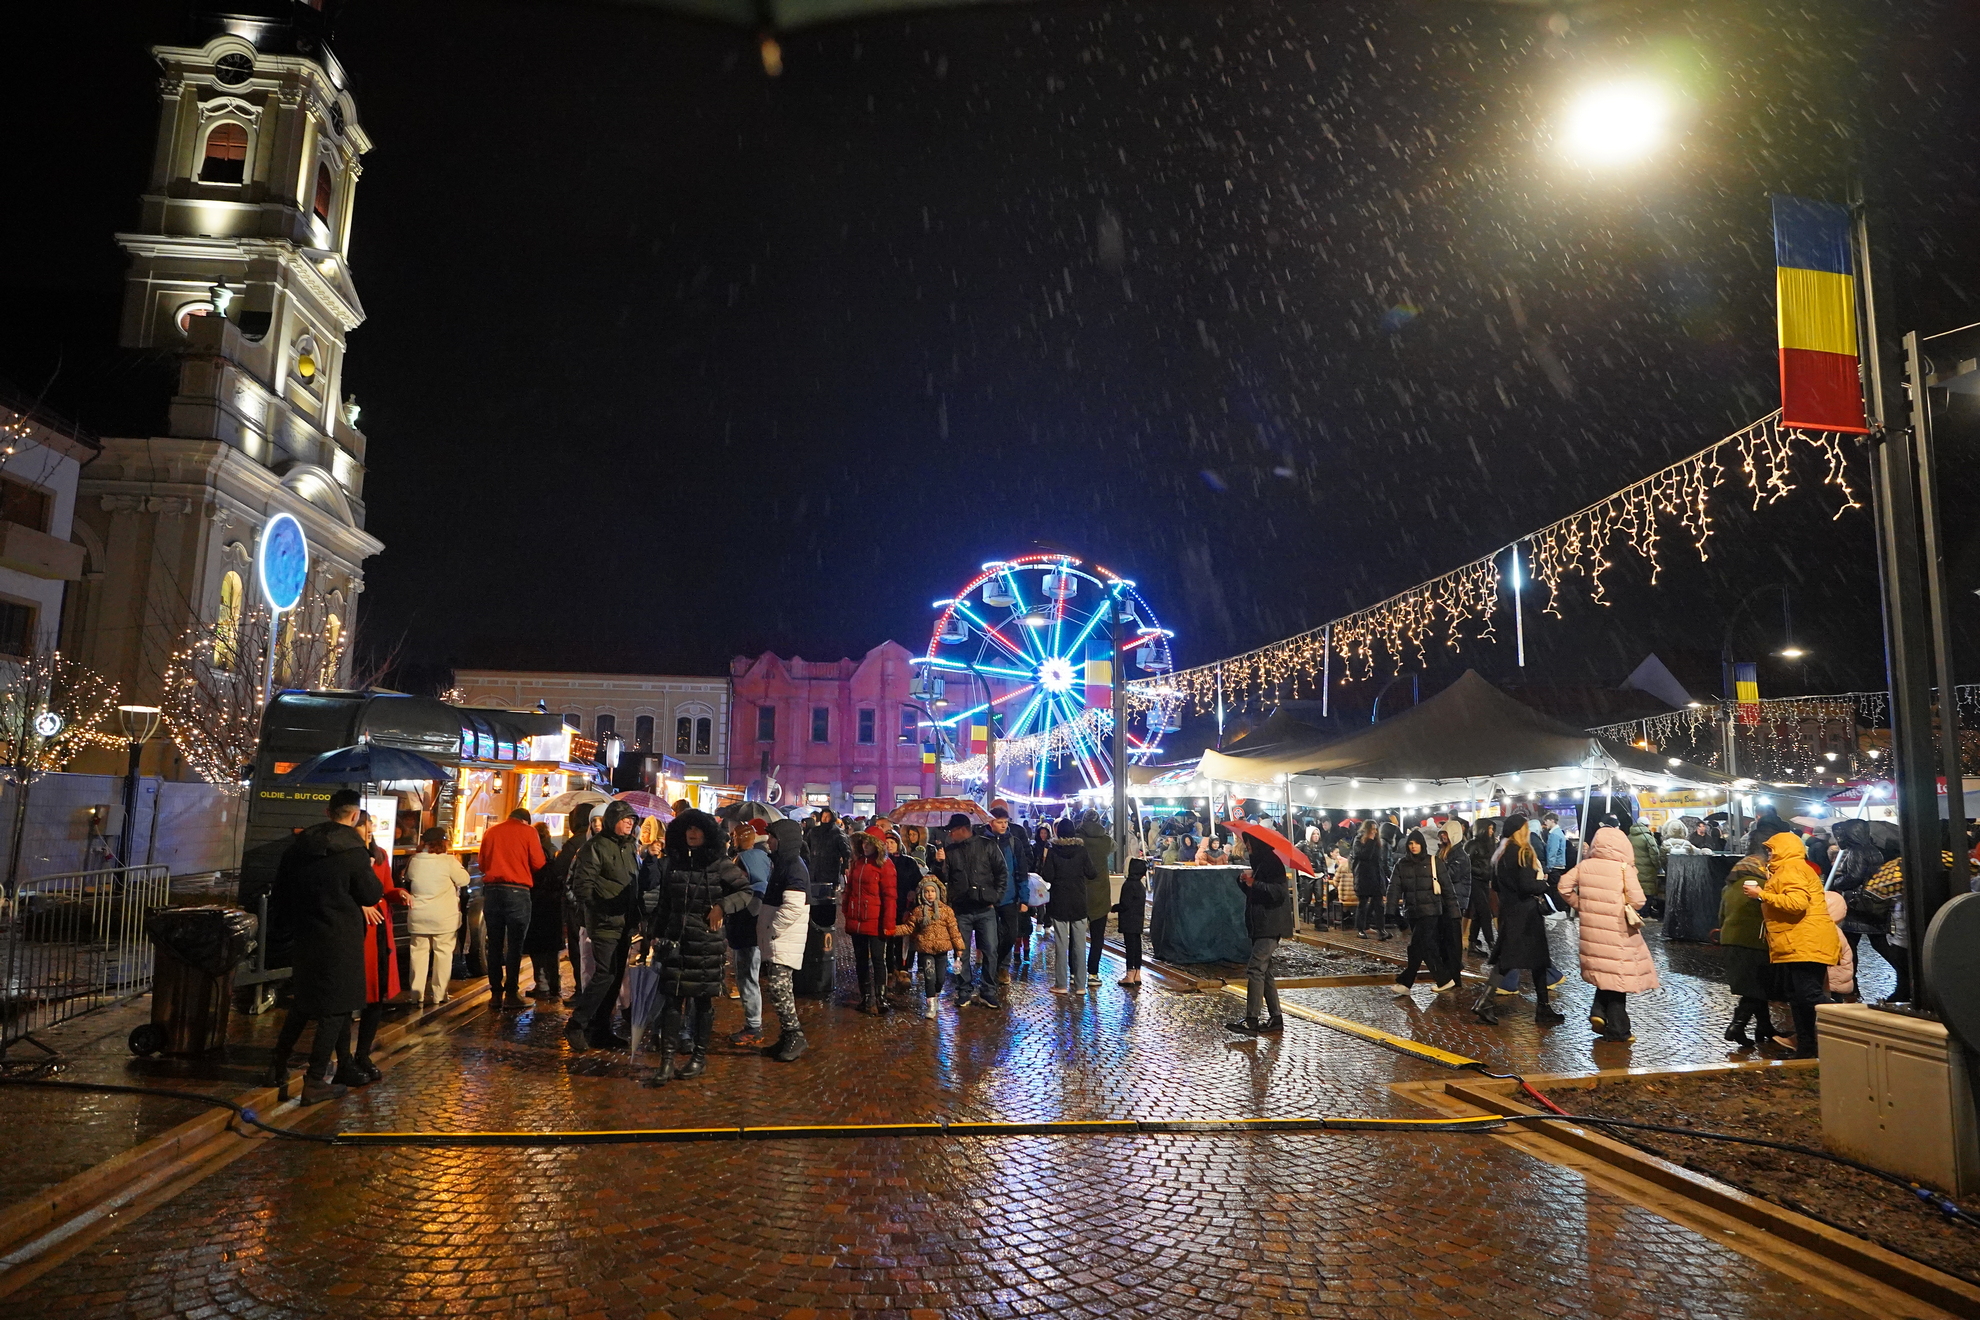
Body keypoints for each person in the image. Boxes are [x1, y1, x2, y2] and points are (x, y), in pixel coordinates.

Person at [262, 789, 382, 1103]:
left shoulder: (299, 847)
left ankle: (277, 1065)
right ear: (355, 816)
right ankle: (314, 1081)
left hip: (305, 934)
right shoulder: (353, 851)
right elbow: (370, 895)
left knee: (303, 1002)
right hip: (339, 938)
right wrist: (366, 856)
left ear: (328, 813)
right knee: (336, 1007)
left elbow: (281, 889)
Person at [648, 809, 755, 1082]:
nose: (692, 834)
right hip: (676, 942)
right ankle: (667, 1061)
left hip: (707, 943)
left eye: (698, 829)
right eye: (688, 829)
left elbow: (746, 892)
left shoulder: (719, 864)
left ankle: (699, 1056)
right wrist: (654, 934)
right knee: (672, 1001)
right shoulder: (674, 863)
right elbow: (664, 904)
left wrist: (722, 906)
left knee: (703, 1001)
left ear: (707, 834)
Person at [1558, 825, 1658, 1042]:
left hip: (1592, 929)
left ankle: (1600, 1013)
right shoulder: (1624, 868)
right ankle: (1618, 1030)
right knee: (1618, 977)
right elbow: (1639, 901)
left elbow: (1563, 887)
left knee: (1606, 974)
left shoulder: (1585, 865)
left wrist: (1582, 905)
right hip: (1619, 930)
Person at [1748, 831, 1841, 1058]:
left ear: (1785, 849)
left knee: (1808, 995)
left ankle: (1851, 1020)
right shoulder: (1787, 869)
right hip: (1798, 941)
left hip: (1805, 941)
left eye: (1772, 850)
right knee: (1799, 998)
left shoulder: (1792, 869)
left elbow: (1796, 903)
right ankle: (1807, 1047)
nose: (1769, 854)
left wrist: (1762, 895)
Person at [565, 799, 641, 1052]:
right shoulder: (594, 847)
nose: (630, 822)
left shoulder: (630, 848)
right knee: (604, 974)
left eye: (632, 819)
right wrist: (602, 908)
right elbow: (582, 886)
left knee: (615, 976)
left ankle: (600, 1030)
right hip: (605, 923)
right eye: (625, 818)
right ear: (612, 821)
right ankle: (577, 1023)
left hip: (624, 922)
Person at [1476, 815, 1564, 1026]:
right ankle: (1485, 1003)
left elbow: (1495, 885)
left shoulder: (1501, 852)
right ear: (1520, 830)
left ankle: (1542, 1007)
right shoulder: (1522, 851)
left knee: (1533, 961)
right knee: (1518, 960)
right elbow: (1527, 885)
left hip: (1510, 911)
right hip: (1526, 914)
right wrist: (1544, 884)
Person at [477, 806, 547, 1009]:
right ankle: (511, 992)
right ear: (525, 820)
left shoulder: (491, 831)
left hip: (492, 891)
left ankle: (495, 994)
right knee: (515, 944)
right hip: (517, 891)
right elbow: (539, 862)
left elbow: (482, 864)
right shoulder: (528, 832)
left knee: (495, 943)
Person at [940, 812, 1007, 1009]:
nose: (950, 835)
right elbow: (943, 879)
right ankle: (964, 990)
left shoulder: (988, 845)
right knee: (961, 952)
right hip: (962, 909)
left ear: (962, 829)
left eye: (952, 831)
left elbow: (1001, 872)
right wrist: (939, 863)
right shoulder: (950, 851)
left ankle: (988, 990)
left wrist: (996, 896)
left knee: (991, 951)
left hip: (985, 907)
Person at [758, 817, 812, 1060]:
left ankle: (794, 1035)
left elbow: (793, 907)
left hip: (783, 938)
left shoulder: (793, 866)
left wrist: (773, 929)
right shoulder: (784, 863)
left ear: (784, 840)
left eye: (772, 837)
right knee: (778, 990)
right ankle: (787, 1036)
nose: (768, 841)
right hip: (779, 938)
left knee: (780, 990)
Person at [1226, 835, 1291, 1034]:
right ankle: (1276, 1017)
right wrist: (1243, 882)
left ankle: (1251, 1020)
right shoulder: (1261, 863)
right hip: (1260, 923)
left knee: (1255, 969)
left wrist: (1255, 883)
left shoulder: (1272, 863)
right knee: (1266, 971)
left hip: (1270, 924)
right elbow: (1256, 893)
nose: (1245, 846)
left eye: (1247, 842)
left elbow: (1278, 893)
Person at [1718, 837, 1776, 1048]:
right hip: (1755, 941)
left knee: (1755, 986)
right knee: (1758, 987)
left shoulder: (1731, 884)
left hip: (1730, 939)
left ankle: (1764, 1027)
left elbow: (1721, 915)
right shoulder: (1764, 885)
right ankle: (1737, 1026)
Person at [403, 826, 469, 1007]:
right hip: (443, 918)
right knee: (443, 954)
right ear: (444, 843)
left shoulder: (415, 860)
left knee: (418, 954)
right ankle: (440, 995)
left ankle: (416, 995)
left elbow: (408, 878)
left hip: (419, 916)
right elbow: (464, 880)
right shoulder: (449, 861)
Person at [1389, 830, 1456, 995]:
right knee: (1426, 947)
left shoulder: (1434, 862)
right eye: (1410, 843)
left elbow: (1448, 888)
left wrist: (1454, 911)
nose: (1413, 846)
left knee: (1416, 946)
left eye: (1416, 843)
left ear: (1422, 844)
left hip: (1431, 911)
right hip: (1412, 911)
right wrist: (1390, 910)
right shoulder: (1401, 864)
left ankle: (1406, 982)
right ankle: (1444, 979)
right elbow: (1394, 888)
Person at [1038, 818, 1096, 995]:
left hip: (1059, 901)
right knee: (1079, 945)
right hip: (1078, 901)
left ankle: (1061, 984)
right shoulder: (1082, 851)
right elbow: (1092, 873)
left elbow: (1047, 876)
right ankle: (1080, 985)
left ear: (1058, 832)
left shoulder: (1054, 851)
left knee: (1061, 945)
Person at [896, 874, 964, 1018]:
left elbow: (954, 931)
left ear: (937, 893)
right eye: (927, 891)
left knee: (940, 978)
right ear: (922, 894)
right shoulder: (919, 911)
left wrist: (959, 948)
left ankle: (936, 994)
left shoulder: (946, 911)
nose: (930, 894)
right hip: (925, 949)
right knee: (929, 976)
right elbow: (909, 927)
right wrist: (893, 930)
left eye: (932, 891)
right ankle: (931, 1003)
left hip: (942, 950)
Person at [844, 828, 897, 1015]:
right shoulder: (857, 863)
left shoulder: (885, 865)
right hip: (857, 919)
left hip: (875, 921)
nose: (865, 846)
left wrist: (888, 924)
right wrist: (847, 911)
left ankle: (881, 998)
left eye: (869, 843)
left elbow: (890, 897)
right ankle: (866, 997)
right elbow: (849, 890)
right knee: (860, 960)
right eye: (863, 843)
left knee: (878, 959)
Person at [727, 820, 770, 1046]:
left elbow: (752, 891)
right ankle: (753, 1024)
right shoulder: (759, 858)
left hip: (747, 926)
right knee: (747, 975)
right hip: (747, 925)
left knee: (748, 976)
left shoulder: (747, 860)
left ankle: (754, 1025)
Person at [978, 807, 1031, 985]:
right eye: (1000, 822)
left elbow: (1021, 871)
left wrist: (1024, 898)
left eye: (1005, 822)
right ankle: (994, 969)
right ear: (990, 822)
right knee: (990, 937)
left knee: (1010, 934)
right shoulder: (982, 841)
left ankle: (999, 965)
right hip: (989, 898)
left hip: (1009, 896)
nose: (1003, 825)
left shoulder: (1013, 842)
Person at [556, 803, 599, 1002]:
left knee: (579, 948)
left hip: (579, 908)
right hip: (594, 906)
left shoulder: (575, 844)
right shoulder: (599, 843)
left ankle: (582, 989)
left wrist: (573, 902)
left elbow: (562, 873)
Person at [524, 821, 565, 1000]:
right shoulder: (555, 850)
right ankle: (554, 986)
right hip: (553, 905)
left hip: (538, 902)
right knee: (551, 950)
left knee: (538, 948)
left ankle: (542, 984)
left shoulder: (535, 852)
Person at [1076, 810, 1115, 989]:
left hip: (1080, 893)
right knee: (1097, 938)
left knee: (1076, 937)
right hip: (1100, 895)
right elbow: (1114, 847)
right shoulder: (1106, 841)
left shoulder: (1077, 840)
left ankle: (1075, 973)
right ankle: (1093, 973)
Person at [1435, 820, 1471, 979]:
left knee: (1452, 935)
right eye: (1442, 833)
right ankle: (1449, 964)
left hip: (1455, 899)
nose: (1443, 836)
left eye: (1446, 833)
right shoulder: (1442, 852)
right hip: (1445, 899)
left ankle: (1454, 968)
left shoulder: (1460, 855)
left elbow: (1451, 875)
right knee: (1444, 934)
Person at [1464, 819, 1498, 954]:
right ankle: (1491, 943)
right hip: (1474, 882)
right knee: (1484, 911)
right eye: (1489, 828)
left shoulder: (1490, 844)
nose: (1491, 831)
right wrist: (1481, 872)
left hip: (1484, 882)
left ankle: (1472, 943)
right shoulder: (1472, 844)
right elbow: (1466, 864)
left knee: (1479, 913)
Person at [1351, 822, 1389, 940]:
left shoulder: (1378, 842)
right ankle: (1361, 929)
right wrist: (1371, 841)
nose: (1374, 831)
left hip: (1376, 877)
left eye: (1376, 829)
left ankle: (1381, 929)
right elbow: (1364, 855)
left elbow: (1380, 860)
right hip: (1364, 876)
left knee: (1379, 904)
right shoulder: (1359, 840)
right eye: (1372, 829)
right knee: (1363, 904)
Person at [1116, 855, 1147, 985]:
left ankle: (1129, 974)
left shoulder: (1128, 884)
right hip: (1138, 920)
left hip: (1128, 920)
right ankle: (1137, 974)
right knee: (1137, 946)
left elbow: (1125, 904)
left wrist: (1114, 908)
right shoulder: (1141, 886)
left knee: (1129, 947)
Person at [1627, 816, 1664, 912]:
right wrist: (1658, 866)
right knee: (1648, 891)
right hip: (1647, 870)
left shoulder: (1629, 837)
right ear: (1647, 825)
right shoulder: (1648, 837)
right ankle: (1644, 913)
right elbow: (1654, 854)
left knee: (1636, 890)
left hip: (1633, 869)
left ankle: (1636, 912)